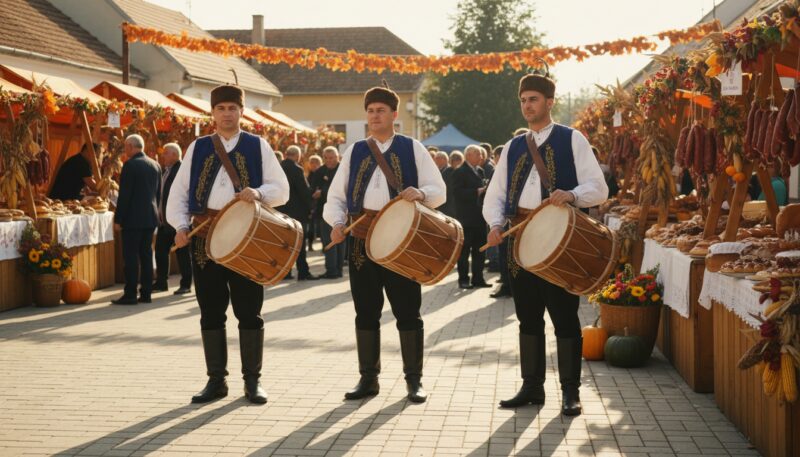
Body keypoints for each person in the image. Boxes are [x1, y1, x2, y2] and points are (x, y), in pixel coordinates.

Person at [483, 73, 608, 416]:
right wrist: (495, 224)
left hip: (561, 241)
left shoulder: (572, 139)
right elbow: (495, 194)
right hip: (520, 238)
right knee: (527, 317)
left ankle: (571, 391)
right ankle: (532, 387)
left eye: (533, 99)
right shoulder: (512, 147)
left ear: (549, 102)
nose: (527, 105)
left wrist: (571, 194)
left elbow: (599, 188)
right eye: (523, 100)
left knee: (565, 316)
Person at [323, 82, 446, 403]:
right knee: (365, 311)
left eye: (381, 111)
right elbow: (335, 196)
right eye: (370, 111)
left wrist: (421, 193)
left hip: (402, 241)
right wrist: (337, 223)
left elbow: (438, 190)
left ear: (394, 114)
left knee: (408, 311)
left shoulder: (412, 148)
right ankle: (368, 379)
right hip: (362, 240)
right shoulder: (355, 151)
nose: (375, 116)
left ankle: (414, 381)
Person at [167, 84, 289, 405]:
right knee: (210, 311)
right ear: (212, 113)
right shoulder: (197, 147)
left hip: (247, 238)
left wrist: (259, 193)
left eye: (232, 108)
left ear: (241, 111)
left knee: (249, 311)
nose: (226, 114)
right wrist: (180, 226)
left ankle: (252, 382)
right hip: (205, 237)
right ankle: (216, 381)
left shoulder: (258, 145)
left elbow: (282, 189)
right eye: (220, 108)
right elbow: (179, 193)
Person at [112, 134, 161, 305]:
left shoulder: (130, 165)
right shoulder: (155, 165)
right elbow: (158, 194)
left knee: (131, 257)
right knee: (146, 256)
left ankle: (131, 293)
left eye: (126, 147)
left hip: (133, 219)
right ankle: (146, 293)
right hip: (150, 217)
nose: (125, 151)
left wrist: (118, 219)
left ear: (131, 147)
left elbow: (125, 195)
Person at [153, 143, 192, 295]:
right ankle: (162, 282)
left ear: (175, 155)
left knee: (182, 254)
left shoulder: (181, 171)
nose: (163, 156)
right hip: (165, 222)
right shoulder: (167, 170)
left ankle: (186, 284)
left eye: (166, 153)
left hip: (177, 222)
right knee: (161, 251)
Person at [277, 145, 320, 281]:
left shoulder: (278, 169)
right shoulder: (296, 169)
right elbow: (304, 192)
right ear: (297, 156)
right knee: (299, 244)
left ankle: (285, 272)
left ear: (285, 154)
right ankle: (303, 272)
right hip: (297, 213)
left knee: (284, 243)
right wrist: (310, 207)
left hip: (280, 212)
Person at [453, 145, 490, 289]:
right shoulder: (460, 172)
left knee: (480, 250)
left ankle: (478, 279)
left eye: (481, 155)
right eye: (478, 154)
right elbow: (457, 193)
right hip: (466, 219)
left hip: (480, 218)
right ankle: (463, 280)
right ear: (468, 155)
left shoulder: (480, 171)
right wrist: (477, 191)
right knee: (464, 252)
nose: (481, 157)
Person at [312, 146, 344, 279]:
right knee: (328, 242)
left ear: (337, 157)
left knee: (340, 241)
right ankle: (331, 270)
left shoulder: (343, 170)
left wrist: (323, 192)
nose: (329, 160)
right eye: (326, 158)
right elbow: (312, 187)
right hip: (324, 213)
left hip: (342, 212)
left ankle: (337, 270)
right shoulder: (320, 171)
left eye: (331, 158)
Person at [306, 155, 323, 251]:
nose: (314, 165)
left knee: (321, 226)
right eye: (312, 163)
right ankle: (310, 244)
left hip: (320, 203)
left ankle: (324, 245)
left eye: (316, 163)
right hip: (311, 204)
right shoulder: (308, 175)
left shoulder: (322, 174)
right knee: (311, 226)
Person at [434, 151, 456, 217]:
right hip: (440, 203)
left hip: (448, 203)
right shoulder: (437, 169)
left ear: (444, 159)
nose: (435, 160)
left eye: (437, 158)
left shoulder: (451, 170)